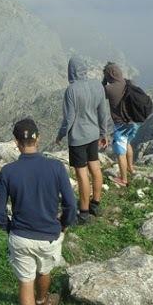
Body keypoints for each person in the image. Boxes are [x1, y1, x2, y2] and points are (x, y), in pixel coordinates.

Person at [0, 117, 76, 305]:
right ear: (38, 138)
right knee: (44, 270)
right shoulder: (56, 167)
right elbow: (71, 204)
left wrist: (10, 228)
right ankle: (42, 301)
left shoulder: (8, 172)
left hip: (20, 236)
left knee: (24, 282)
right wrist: (63, 226)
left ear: (16, 143)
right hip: (49, 236)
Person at [55, 57, 110, 223]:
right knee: (95, 167)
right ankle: (95, 204)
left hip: (78, 138)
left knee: (82, 174)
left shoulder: (71, 90)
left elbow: (70, 118)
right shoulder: (97, 85)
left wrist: (61, 134)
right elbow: (103, 111)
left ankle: (84, 212)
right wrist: (103, 133)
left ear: (71, 71)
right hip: (93, 135)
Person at [102, 62, 139, 187]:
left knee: (120, 152)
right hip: (133, 122)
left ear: (109, 75)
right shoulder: (129, 83)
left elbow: (101, 95)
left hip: (121, 125)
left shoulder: (109, 88)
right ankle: (131, 168)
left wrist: (104, 81)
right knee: (128, 144)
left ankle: (123, 179)